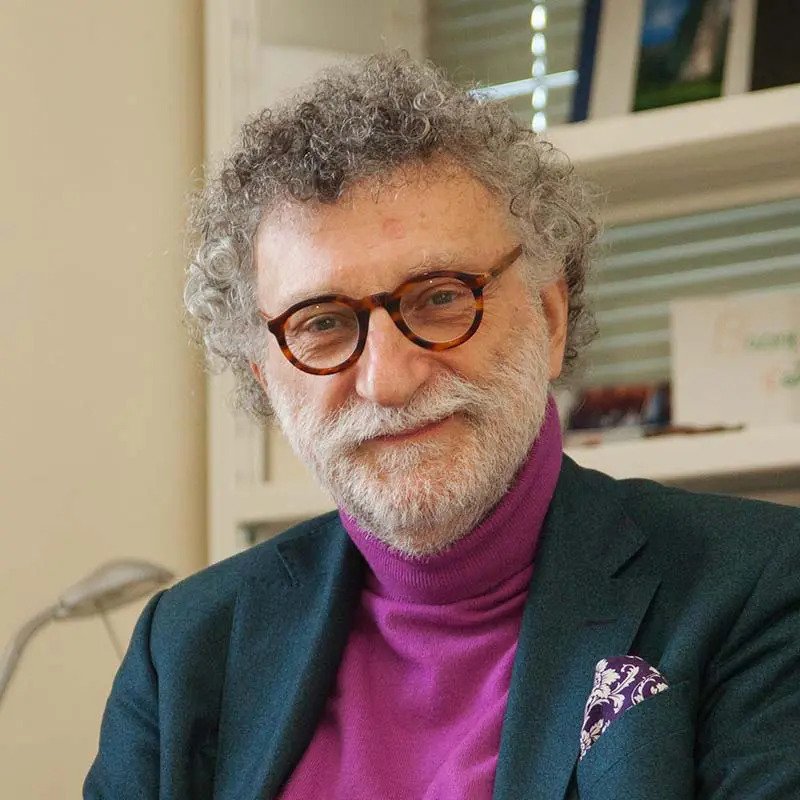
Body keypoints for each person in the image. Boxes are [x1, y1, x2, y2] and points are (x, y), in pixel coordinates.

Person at [84, 53, 800, 800]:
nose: (388, 380)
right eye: (322, 323)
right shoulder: (185, 648)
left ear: (550, 319)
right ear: (267, 379)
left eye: (440, 298)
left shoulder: (760, 587)